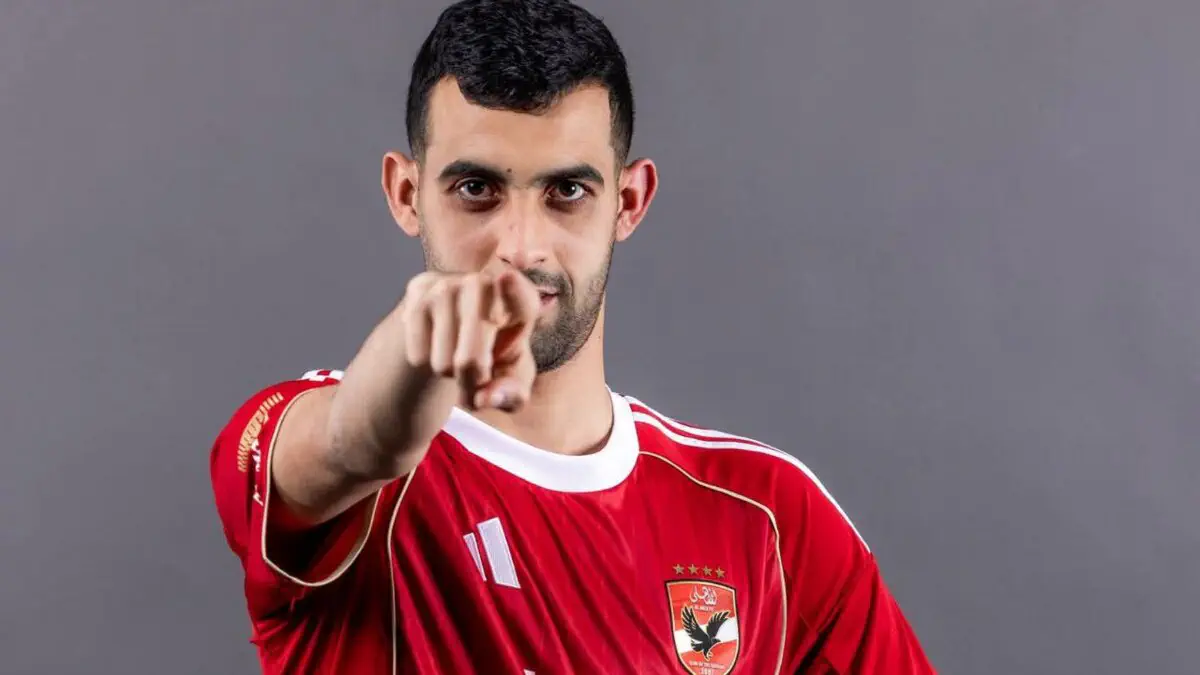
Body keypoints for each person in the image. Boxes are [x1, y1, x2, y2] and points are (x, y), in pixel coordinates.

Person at [209, 0, 936, 672]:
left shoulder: (770, 516)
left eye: (567, 192)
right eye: (476, 190)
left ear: (629, 201)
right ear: (407, 194)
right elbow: (348, 445)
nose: (521, 246)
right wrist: (414, 342)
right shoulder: (329, 464)